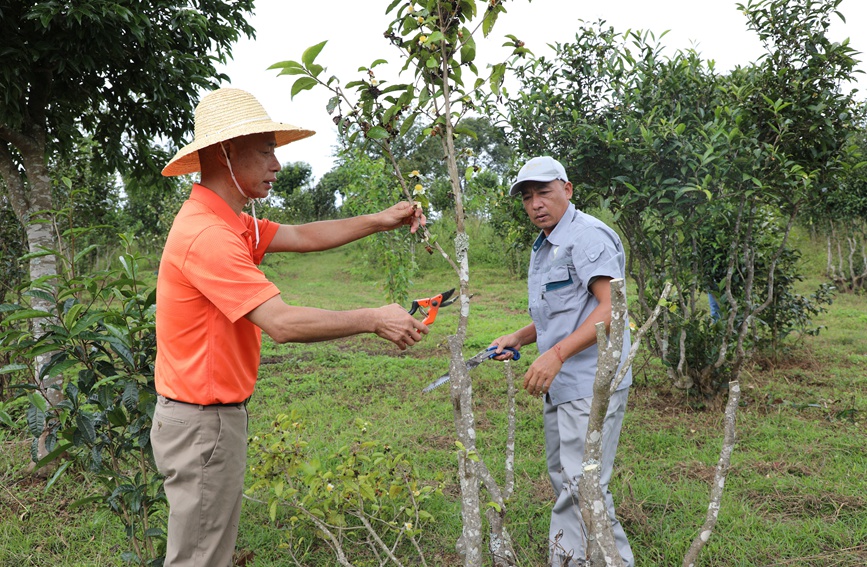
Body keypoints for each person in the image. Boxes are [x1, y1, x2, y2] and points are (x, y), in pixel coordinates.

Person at [150, 87, 429, 567]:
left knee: (205, 550)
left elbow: (303, 234)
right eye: (265, 151)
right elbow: (280, 322)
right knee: (200, 558)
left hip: (205, 419)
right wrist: (372, 318)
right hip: (202, 422)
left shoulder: (231, 221)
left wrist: (380, 221)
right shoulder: (209, 235)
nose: (277, 164)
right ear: (224, 152)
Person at [490, 156, 634, 566]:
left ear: (567, 189)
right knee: (568, 482)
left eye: (544, 193)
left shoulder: (587, 237)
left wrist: (555, 354)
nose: (536, 204)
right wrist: (521, 336)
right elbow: (566, 310)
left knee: (584, 487)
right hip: (563, 382)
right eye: (528, 197)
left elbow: (612, 309)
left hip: (587, 380)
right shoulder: (549, 241)